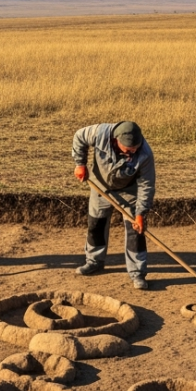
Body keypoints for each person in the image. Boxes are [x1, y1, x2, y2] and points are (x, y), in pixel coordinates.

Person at [72, 121, 156, 290]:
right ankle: (94, 262)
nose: (133, 152)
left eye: (135, 148)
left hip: (129, 191)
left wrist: (140, 213)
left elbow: (147, 186)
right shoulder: (99, 134)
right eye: (129, 149)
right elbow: (79, 137)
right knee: (96, 224)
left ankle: (137, 272)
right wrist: (80, 163)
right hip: (100, 185)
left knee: (135, 230)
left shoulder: (145, 154)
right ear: (116, 140)